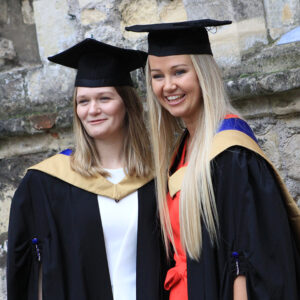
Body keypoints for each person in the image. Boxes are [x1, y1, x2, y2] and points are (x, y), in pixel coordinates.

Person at [126, 19, 300, 299]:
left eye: (179, 72)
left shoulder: (232, 153)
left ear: (203, 74)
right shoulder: (182, 151)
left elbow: (248, 258)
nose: (167, 86)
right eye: (157, 76)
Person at [7, 38, 167, 300]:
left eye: (104, 98)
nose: (92, 110)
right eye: (83, 101)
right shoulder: (46, 183)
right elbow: (30, 273)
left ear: (127, 105)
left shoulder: (160, 177)